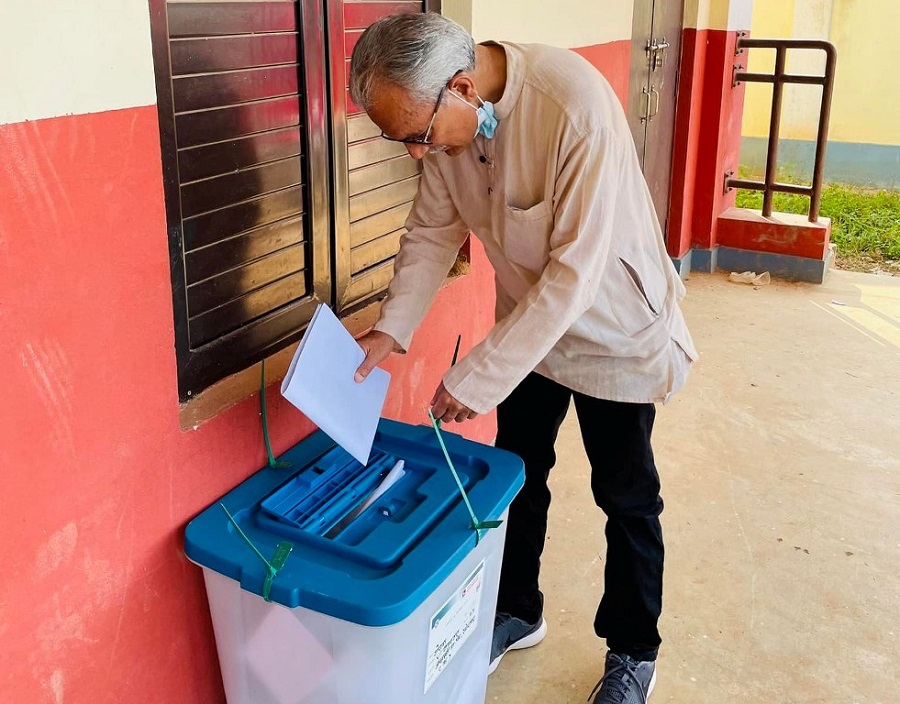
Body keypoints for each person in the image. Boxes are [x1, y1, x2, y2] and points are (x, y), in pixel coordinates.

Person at [349, 12, 697, 704]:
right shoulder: (449, 133)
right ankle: (518, 608)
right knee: (519, 473)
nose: (416, 153)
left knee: (625, 494)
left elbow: (574, 276)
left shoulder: (575, 106)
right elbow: (430, 233)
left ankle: (633, 650)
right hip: (529, 333)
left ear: (461, 88)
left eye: (416, 135)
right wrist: (390, 331)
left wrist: (479, 372)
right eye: (401, 141)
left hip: (611, 332)